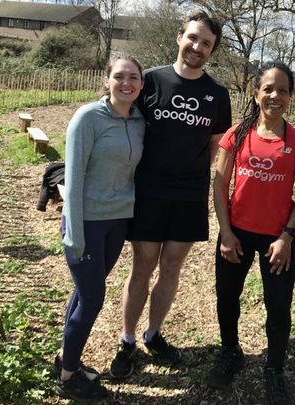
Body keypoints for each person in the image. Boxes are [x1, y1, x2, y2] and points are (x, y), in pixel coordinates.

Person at [110, 11, 232, 378]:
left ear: (212, 51)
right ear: (180, 37)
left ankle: (153, 334)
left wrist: (189, 173)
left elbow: (214, 146)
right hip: (148, 192)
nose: (198, 47)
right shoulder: (149, 81)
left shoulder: (217, 95)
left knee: (172, 267)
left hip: (188, 197)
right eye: (193, 38)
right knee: (143, 266)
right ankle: (128, 339)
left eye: (207, 43)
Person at [206, 61, 295, 405]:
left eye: (283, 90)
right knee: (227, 298)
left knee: (278, 308)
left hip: (277, 241)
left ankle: (274, 370)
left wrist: (287, 237)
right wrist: (225, 232)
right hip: (235, 234)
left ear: (290, 97)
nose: (275, 96)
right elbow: (219, 184)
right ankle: (230, 351)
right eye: (268, 89)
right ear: (256, 93)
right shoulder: (236, 135)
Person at [55, 54, 145, 401]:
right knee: (92, 299)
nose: (127, 83)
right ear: (106, 80)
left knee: (83, 293)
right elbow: (74, 178)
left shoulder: (138, 121)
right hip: (87, 222)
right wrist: (73, 234)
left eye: (134, 78)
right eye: (119, 76)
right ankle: (66, 377)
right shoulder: (87, 117)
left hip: (118, 221)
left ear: (140, 84)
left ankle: (67, 359)